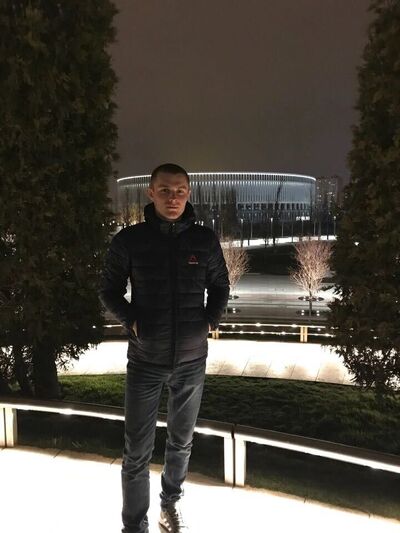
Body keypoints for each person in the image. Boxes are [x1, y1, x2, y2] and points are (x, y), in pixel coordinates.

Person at [99, 163, 229, 533]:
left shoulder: (204, 240)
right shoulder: (130, 240)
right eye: (166, 190)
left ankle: (169, 506)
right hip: (145, 361)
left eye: (180, 191)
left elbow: (221, 285)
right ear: (151, 193)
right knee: (136, 450)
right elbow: (108, 290)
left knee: (181, 443)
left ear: (188, 193)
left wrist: (208, 323)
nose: (173, 198)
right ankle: (134, 524)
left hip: (191, 360)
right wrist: (132, 320)